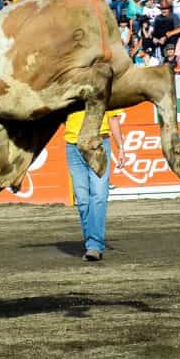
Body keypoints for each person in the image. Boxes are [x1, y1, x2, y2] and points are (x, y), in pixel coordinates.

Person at [64, 108, 126, 262]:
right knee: (83, 200)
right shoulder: (69, 85)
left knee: (98, 195)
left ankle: (94, 246)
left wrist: (121, 147)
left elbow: (113, 118)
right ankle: (92, 242)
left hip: (98, 143)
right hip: (73, 144)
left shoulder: (104, 88)